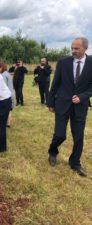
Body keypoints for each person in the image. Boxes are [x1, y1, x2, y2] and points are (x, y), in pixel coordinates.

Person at [47, 37, 92, 177]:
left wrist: (83, 96)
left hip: (80, 106)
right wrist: (50, 102)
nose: (73, 51)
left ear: (85, 48)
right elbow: (55, 83)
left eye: (76, 48)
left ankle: (75, 163)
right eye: (72, 48)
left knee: (78, 136)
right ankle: (53, 152)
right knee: (60, 134)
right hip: (62, 103)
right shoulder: (63, 62)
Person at [0, 62, 15, 127]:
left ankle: (6, 123)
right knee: (9, 109)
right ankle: (8, 123)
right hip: (11, 93)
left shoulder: (3, 75)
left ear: (1, 68)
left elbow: (3, 86)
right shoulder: (7, 73)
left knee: (6, 109)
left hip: (7, 95)